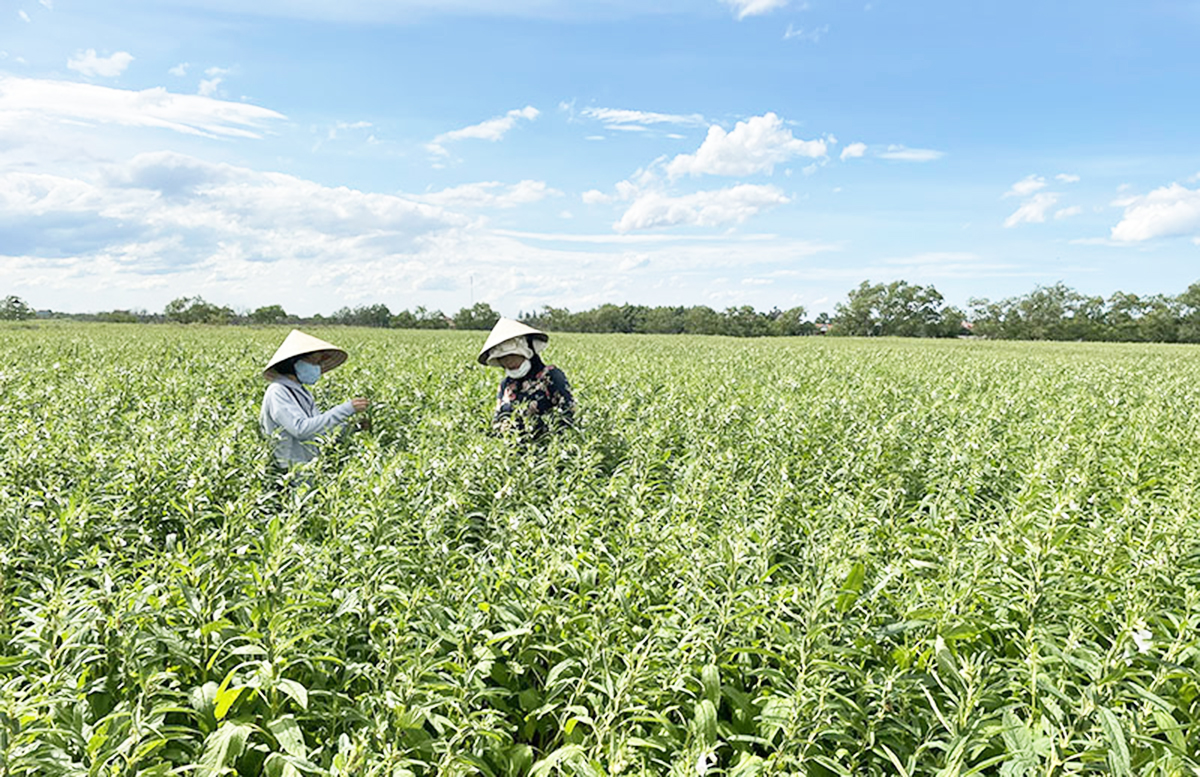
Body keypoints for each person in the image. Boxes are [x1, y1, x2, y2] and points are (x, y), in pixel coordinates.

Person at [260, 329, 369, 471]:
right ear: (293, 362)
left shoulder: (301, 392)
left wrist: (352, 427)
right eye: (313, 361)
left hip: (308, 467)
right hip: (289, 471)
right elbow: (301, 429)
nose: (317, 367)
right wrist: (346, 409)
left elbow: (318, 431)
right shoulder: (278, 391)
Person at [478, 318, 574, 437]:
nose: (508, 362)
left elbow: (568, 412)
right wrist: (501, 427)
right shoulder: (506, 385)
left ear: (526, 352)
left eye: (512, 355)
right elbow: (497, 417)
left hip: (545, 448)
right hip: (512, 450)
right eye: (502, 358)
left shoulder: (551, 377)